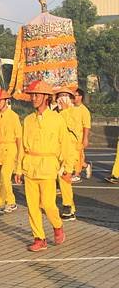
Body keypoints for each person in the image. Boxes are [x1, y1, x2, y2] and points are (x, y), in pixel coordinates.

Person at [14, 80, 69, 252]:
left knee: (47, 204)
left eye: (36, 95)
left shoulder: (57, 119)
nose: (33, 98)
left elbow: (66, 144)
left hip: (48, 166)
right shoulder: (28, 120)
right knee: (32, 206)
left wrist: (67, 167)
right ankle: (39, 238)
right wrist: (18, 169)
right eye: (32, 95)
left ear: (46, 97)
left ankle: (57, 225)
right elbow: (22, 147)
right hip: (30, 166)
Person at [55, 87, 81, 221]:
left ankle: (68, 207)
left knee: (65, 179)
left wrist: (65, 111)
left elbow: (73, 130)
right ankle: (68, 208)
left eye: (65, 96)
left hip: (69, 151)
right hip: (56, 152)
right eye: (60, 96)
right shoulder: (56, 113)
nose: (62, 98)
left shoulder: (73, 113)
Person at [72, 88, 92, 181]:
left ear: (80, 97)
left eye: (75, 95)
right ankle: (86, 165)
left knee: (78, 156)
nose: (74, 97)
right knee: (71, 156)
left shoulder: (84, 111)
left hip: (79, 137)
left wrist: (85, 138)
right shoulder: (70, 108)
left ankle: (77, 174)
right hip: (69, 137)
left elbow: (86, 126)